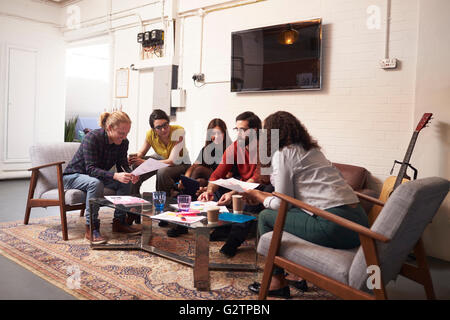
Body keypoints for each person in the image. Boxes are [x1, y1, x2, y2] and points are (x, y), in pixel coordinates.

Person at [243, 111, 369, 299]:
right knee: (287, 215)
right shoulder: (313, 151)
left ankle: (276, 282)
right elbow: (294, 199)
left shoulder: (284, 153)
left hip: (334, 226)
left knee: (266, 217)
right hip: (360, 224)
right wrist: (262, 194)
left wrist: (258, 196)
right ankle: (294, 274)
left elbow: (281, 204)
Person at [198, 111, 270, 257]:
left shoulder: (265, 147)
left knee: (249, 196)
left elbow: (256, 179)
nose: (239, 134)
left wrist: (233, 193)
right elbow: (217, 174)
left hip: (263, 185)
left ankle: (233, 240)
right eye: (237, 130)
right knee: (218, 190)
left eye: (243, 130)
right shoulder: (237, 146)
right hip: (244, 183)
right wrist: (209, 190)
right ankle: (224, 228)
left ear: (255, 130)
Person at [63, 111, 141, 244]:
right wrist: (115, 175)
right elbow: (91, 169)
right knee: (95, 183)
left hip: (95, 176)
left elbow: (122, 164)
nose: (124, 137)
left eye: (126, 133)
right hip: (73, 176)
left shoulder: (123, 142)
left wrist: (130, 173)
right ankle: (92, 227)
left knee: (125, 182)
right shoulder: (92, 138)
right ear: (110, 128)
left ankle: (119, 222)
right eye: (121, 133)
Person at [167, 118, 233, 237]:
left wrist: (208, 185)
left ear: (225, 134)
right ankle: (185, 218)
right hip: (207, 183)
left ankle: (182, 221)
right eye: (213, 133)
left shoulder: (230, 149)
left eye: (219, 133)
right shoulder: (207, 149)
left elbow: (228, 175)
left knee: (199, 170)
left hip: (222, 183)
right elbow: (193, 166)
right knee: (197, 178)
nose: (216, 136)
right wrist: (184, 179)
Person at [129, 109, 191, 196]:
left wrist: (146, 162)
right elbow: (141, 153)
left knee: (162, 171)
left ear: (168, 122)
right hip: (161, 158)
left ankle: (163, 200)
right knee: (135, 165)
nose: (163, 129)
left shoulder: (178, 131)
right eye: (158, 127)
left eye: (165, 125)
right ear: (153, 129)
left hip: (180, 163)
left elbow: (171, 161)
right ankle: (133, 197)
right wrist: (134, 158)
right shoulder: (150, 134)